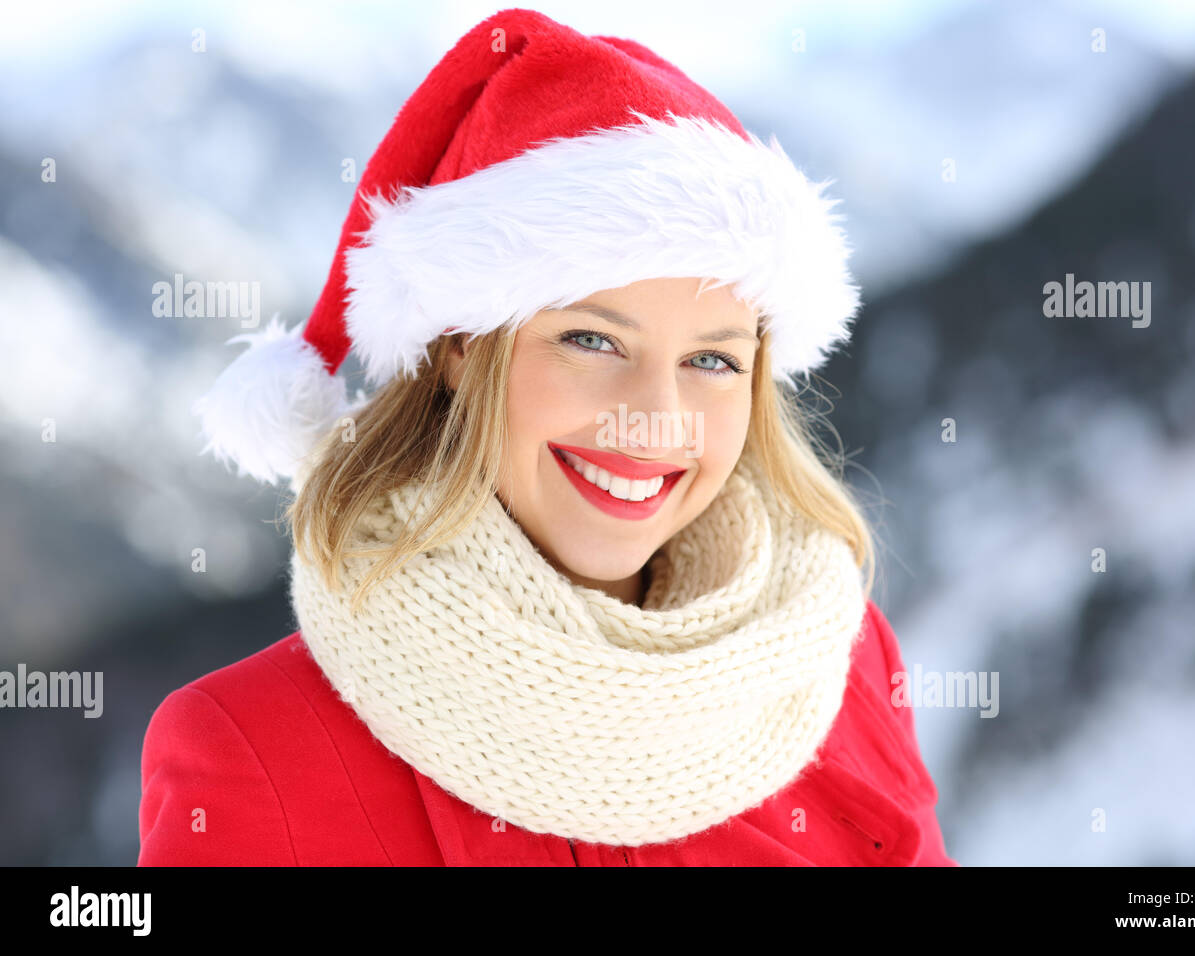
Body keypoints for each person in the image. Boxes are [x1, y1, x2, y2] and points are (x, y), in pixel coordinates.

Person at [138, 7, 957, 866]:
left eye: (712, 360)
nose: (657, 419)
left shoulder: (831, 661)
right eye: (593, 341)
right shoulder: (253, 750)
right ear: (461, 348)